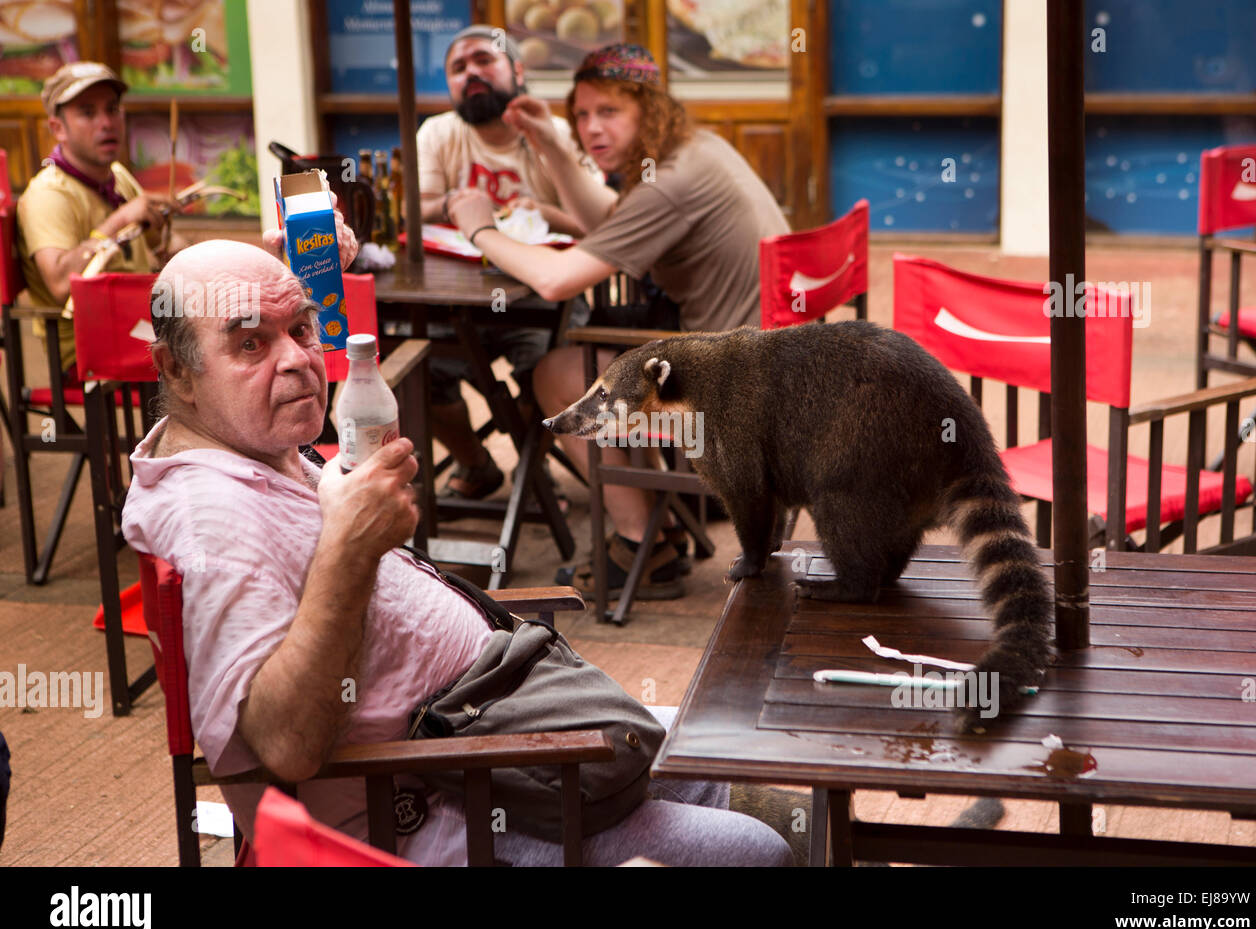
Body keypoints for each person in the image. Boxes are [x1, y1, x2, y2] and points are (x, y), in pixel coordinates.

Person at [120, 239, 791, 867]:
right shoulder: (210, 516)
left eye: (300, 329)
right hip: (448, 808)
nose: (296, 359)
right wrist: (352, 549)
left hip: (503, 727)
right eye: (249, 344)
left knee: (753, 759)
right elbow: (285, 746)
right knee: (755, 846)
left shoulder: (247, 445)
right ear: (176, 370)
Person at [447, 44, 789, 598]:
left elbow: (557, 281)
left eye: (609, 112)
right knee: (597, 363)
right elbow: (611, 219)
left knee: (558, 375)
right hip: (758, 361)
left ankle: (642, 542)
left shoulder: (669, 182)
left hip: (731, 393)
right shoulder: (696, 149)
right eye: (581, 115)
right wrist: (552, 144)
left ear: (648, 111)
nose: (590, 129)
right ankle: (661, 519)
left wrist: (480, 228)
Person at [417, 25, 615, 501]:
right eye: (458, 68)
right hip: (455, 300)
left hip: (544, 298)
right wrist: (455, 206)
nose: (472, 74)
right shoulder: (439, 132)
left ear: (518, 71)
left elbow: (604, 225)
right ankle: (477, 463)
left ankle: (533, 469)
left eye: (485, 60)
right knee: (418, 370)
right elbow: (416, 207)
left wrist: (544, 214)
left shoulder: (557, 134)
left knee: (547, 372)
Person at [16, 61, 182, 372]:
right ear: (58, 128)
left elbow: (162, 243)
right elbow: (60, 282)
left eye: (112, 109)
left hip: (135, 322)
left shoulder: (116, 175)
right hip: (89, 346)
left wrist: (182, 248)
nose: (106, 122)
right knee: (201, 355)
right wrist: (118, 221)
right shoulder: (48, 194)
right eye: (88, 113)